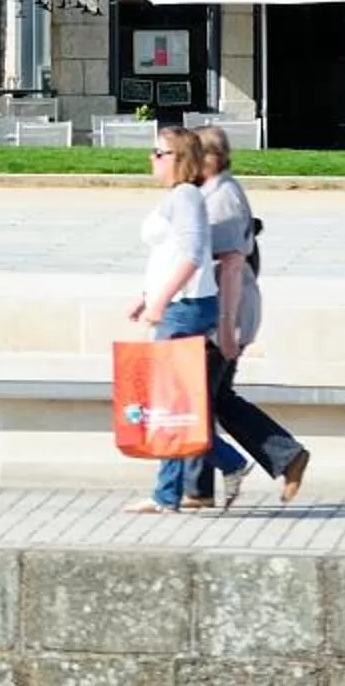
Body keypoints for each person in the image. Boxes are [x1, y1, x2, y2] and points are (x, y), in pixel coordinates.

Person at [124, 124, 248, 514]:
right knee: (172, 403)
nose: (152, 159)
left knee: (169, 404)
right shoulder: (183, 197)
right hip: (178, 305)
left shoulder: (187, 197)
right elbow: (170, 255)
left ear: (180, 159)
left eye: (159, 153)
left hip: (183, 309)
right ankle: (183, 486)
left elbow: (194, 254)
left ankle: (185, 485)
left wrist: (159, 301)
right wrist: (147, 297)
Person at [186, 125, 311, 509]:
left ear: (207, 159)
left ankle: (205, 483)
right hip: (230, 312)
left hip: (222, 313)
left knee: (196, 399)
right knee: (214, 398)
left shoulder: (219, 199)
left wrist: (224, 326)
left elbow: (230, 266)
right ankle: (279, 458)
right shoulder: (218, 192)